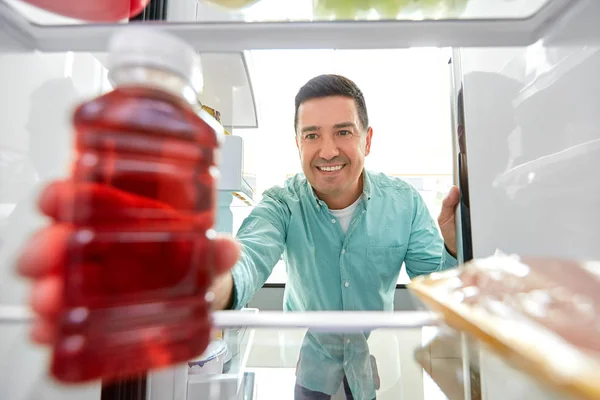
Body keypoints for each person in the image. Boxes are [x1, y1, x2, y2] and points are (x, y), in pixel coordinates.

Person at [17, 74, 460, 399]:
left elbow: (438, 287)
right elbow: (246, 260)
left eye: (342, 132)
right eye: (312, 136)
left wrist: (455, 247)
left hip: (376, 366)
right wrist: (199, 280)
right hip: (307, 369)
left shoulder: (403, 203)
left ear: (367, 140)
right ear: (298, 144)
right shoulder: (282, 203)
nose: (327, 151)